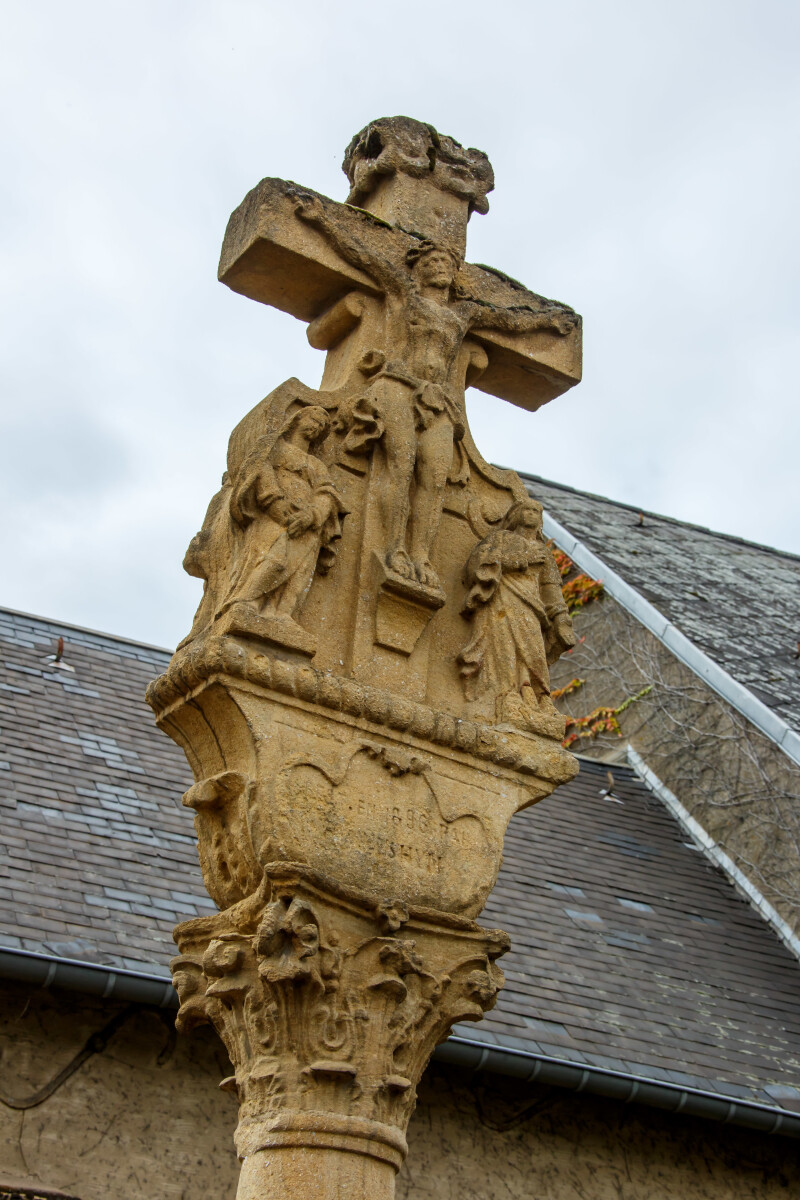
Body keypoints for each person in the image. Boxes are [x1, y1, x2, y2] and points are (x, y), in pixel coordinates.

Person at [294, 195, 577, 594]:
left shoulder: (464, 314)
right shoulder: (403, 293)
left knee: (434, 479)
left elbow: (510, 322)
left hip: (440, 403)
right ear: (419, 269)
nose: (441, 268)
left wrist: (548, 321)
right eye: (433, 263)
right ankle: (393, 548)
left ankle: (420, 555)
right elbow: (362, 256)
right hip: (397, 388)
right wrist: (321, 220)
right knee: (402, 465)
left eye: (447, 264)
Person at [220, 406, 347, 632]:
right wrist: (275, 504)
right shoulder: (274, 446)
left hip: (308, 524)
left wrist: (313, 515)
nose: (317, 426)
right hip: (278, 516)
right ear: (297, 420)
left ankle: (282, 614)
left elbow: (326, 492)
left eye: (322, 425)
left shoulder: (316, 465)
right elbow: (260, 471)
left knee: (301, 573)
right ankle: (246, 601)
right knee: (274, 560)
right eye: (314, 419)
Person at [458, 500, 576, 726]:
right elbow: (476, 565)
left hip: (531, 609)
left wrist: (561, 618)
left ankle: (540, 698)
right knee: (503, 648)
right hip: (501, 601)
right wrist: (521, 560)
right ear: (516, 515)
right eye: (528, 510)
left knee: (533, 653)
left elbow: (551, 590)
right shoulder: (500, 539)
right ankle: (508, 695)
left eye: (537, 512)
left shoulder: (544, 553)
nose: (533, 514)